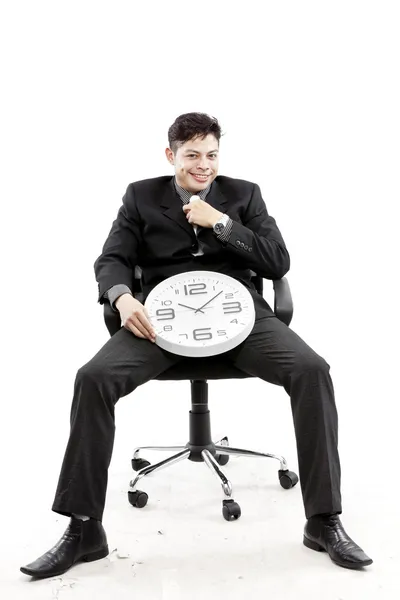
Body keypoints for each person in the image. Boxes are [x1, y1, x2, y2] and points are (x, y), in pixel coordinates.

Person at [20, 112, 372, 578]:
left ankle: (324, 520)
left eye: (211, 155)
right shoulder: (140, 195)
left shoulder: (243, 194)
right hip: (162, 321)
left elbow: (277, 261)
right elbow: (112, 258)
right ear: (171, 156)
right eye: (191, 156)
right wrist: (122, 297)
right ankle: (84, 530)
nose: (203, 165)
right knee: (92, 378)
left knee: (313, 370)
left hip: (240, 317)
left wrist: (222, 224)